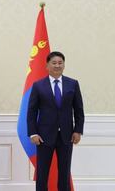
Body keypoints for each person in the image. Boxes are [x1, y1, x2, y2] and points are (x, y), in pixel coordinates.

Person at [27, 51, 84, 191]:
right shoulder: (38, 85)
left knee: (64, 173)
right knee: (42, 173)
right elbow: (32, 111)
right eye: (54, 63)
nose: (57, 65)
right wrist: (33, 133)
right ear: (47, 65)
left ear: (64, 65)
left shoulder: (73, 84)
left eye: (60, 63)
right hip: (43, 136)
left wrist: (78, 130)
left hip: (67, 136)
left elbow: (79, 110)